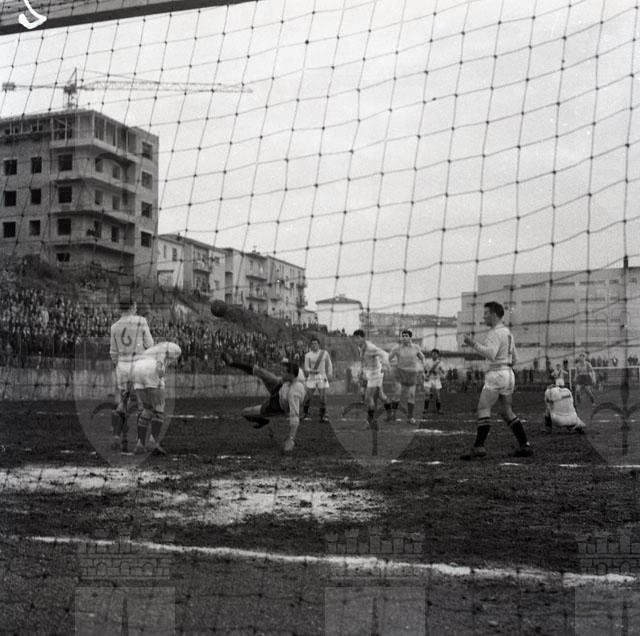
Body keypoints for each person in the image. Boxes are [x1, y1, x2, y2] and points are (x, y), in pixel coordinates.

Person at [460, 301, 532, 460]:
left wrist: (472, 343)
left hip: (497, 374)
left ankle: (479, 447)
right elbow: (515, 358)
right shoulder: (507, 332)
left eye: (485, 313)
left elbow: (491, 354)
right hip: (508, 374)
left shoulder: (494, 332)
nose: (483, 316)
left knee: (483, 408)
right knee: (506, 411)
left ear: (493, 315)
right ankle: (524, 445)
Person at [222, 352, 306, 453]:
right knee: (262, 372)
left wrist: (291, 439)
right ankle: (232, 363)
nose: (281, 373)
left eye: (284, 372)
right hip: (280, 389)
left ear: (291, 375)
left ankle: (262, 420)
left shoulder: (294, 392)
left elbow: (295, 417)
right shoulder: (294, 375)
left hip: (277, 405)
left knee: (245, 412)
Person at [109, 297, 153, 453]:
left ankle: (116, 437)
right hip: (138, 366)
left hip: (123, 366)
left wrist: (120, 364)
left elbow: (113, 352)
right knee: (143, 405)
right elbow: (150, 344)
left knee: (122, 402)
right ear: (132, 306)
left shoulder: (114, 326)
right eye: (135, 306)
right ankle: (140, 443)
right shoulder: (141, 321)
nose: (136, 308)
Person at [132, 341, 181, 455]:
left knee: (148, 409)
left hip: (137, 369)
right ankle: (152, 442)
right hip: (151, 370)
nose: (175, 364)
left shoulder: (151, 350)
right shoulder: (174, 349)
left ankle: (140, 444)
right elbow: (163, 353)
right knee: (159, 409)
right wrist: (160, 369)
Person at [352, 329, 392, 426]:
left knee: (368, 397)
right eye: (355, 338)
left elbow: (384, 354)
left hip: (376, 373)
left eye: (358, 338)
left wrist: (386, 365)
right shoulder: (360, 347)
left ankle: (370, 420)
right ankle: (390, 412)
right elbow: (364, 360)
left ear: (363, 338)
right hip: (369, 372)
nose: (356, 340)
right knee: (381, 395)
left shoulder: (371, 347)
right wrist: (362, 370)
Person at [388, 329, 424, 424]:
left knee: (411, 395)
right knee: (397, 393)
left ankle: (410, 417)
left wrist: (422, 367)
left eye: (406, 336)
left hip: (412, 373)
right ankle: (393, 414)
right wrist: (389, 367)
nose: (404, 338)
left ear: (410, 337)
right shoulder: (397, 348)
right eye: (403, 336)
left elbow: (422, 358)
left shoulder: (416, 348)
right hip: (400, 372)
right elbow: (388, 358)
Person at [302, 336, 333, 423]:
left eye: (315, 343)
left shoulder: (325, 353)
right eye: (312, 344)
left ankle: (323, 416)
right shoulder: (307, 355)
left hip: (322, 376)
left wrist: (330, 373)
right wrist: (313, 371)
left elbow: (329, 364)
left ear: (319, 344)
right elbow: (306, 368)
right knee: (307, 396)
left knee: (322, 397)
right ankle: (305, 414)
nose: (313, 345)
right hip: (312, 377)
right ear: (310, 345)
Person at [423, 348, 445, 416]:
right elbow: (423, 370)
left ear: (437, 355)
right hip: (428, 379)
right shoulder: (427, 362)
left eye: (435, 354)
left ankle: (439, 409)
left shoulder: (441, 363)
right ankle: (425, 409)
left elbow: (443, 373)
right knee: (427, 394)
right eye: (432, 354)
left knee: (438, 396)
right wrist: (425, 376)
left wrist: (439, 371)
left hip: (436, 380)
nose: (433, 355)